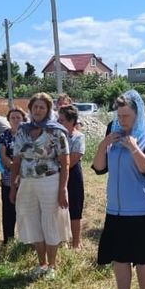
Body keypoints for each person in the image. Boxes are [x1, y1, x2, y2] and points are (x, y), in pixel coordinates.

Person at [93, 91, 145, 289]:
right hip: (116, 209)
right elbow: (99, 168)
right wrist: (103, 144)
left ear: (138, 115)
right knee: (120, 258)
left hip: (143, 209)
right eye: (119, 116)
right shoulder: (112, 135)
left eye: (126, 116)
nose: (121, 120)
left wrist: (134, 148)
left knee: (143, 258)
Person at [10, 93, 70, 279]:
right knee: (32, 220)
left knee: (50, 221)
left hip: (50, 181)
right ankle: (41, 264)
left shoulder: (56, 132)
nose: (38, 110)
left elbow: (65, 162)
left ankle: (52, 265)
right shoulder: (22, 130)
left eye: (42, 107)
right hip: (27, 182)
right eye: (35, 107)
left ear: (48, 110)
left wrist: (62, 190)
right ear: (30, 108)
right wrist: (13, 186)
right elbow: (17, 160)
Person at [58, 104, 86, 249]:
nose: (59, 122)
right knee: (58, 209)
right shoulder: (56, 136)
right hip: (57, 174)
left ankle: (76, 242)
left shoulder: (78, 137)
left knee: (74, 208)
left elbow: (72, 161)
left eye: (61, 120)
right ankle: (62, 240)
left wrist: (58, 164)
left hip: (73, 176)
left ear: (71, 121)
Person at [0, 108, 26, 244]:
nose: (15, 120)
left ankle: (26, 239)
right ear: (8, 120)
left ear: (23, 119)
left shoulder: (28, 135)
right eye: (13, 118)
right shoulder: (4, 135)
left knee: (25, 210)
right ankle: (8, 239)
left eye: (18, 117)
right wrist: (13, 166)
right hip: (8, 178)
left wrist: (21, 170)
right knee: (8, 210)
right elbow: (2, 155)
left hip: (26, 177)